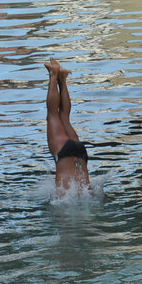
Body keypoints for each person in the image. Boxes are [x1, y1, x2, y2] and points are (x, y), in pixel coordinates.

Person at [44, 59, 91, 193]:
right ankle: (56, 76)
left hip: (81, 153)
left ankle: (60, 77)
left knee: (60, 116)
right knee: (55, 115)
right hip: (68, 153)